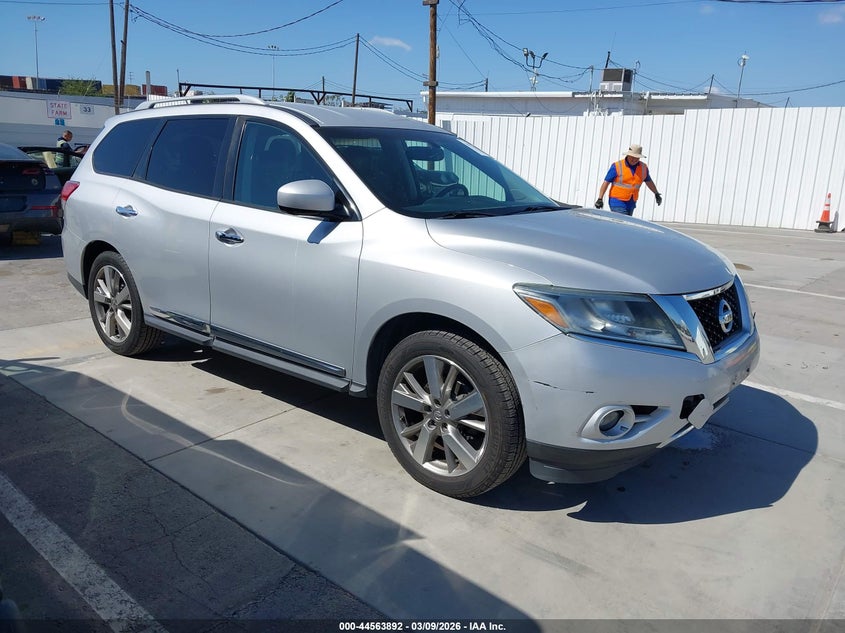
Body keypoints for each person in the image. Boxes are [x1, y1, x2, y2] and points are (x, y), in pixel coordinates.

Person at [595, 144, 662, 215]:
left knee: (626, 221)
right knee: (622, 220)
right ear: (628, 155)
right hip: (617, 201)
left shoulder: (643, 167)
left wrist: (656, 193)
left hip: (631, 202)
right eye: (632, 157)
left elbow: (649, 181)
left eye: (637, 158)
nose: (634, 160)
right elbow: (606, 182)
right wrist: (600, 198)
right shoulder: (617, 166)